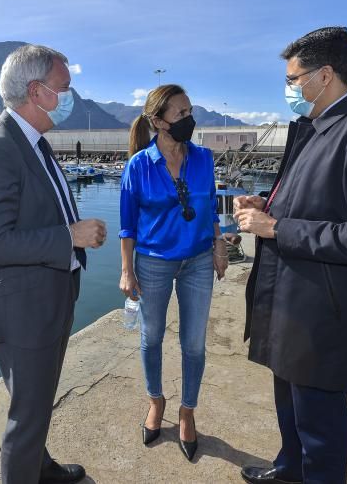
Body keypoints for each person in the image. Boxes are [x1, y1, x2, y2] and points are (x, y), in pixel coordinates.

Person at [234, 27, 347, 484]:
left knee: (321, 431)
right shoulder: (315, 127)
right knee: (290, 410)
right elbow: (313, 202)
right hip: (290, 305)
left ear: (326, 75)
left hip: (323, 314)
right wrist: (264, 206)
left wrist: (276, 227)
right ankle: (288, 469)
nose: (290, 88)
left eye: (294, 78)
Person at [0, 44, 106, 484]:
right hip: (24, 312)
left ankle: (40, 470)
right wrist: (70, 236)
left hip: (48, 301)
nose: (70, 96)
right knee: (25, 418)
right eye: (64, 88)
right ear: (37, 91)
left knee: (37, 404)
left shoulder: (35, 144)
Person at [118, 84, 228, 462]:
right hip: (153, 262)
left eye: (189, 111)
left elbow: (212, 205)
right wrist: (127, 271)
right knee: (150, 339)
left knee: (194, 342)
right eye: (180, 114)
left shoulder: (204, 159)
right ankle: (156, 401)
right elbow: (128, 226)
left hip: (198, 259)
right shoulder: (138, 166)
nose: (189, 120)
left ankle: (187, 411)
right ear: (157, 121)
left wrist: (218, 244)